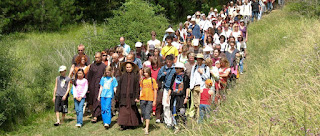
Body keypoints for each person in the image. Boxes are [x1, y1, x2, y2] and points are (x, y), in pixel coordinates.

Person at [115, 62, 142, 130]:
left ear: (132, 68)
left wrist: (137, 96)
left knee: (131, 110)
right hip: (123, 96)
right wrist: (117, 95)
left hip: (131, 96)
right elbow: (119, 87)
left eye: (129, 67)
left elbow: (137, 87)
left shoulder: (135, 76)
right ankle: (123, 125)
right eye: (127, 67)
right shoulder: (122, 76)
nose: (128, 68)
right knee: (123, 110)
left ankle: (132, 124)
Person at [87, 52, 106, 123]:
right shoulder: (92, 66)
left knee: (97, 100)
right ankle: (94, 114)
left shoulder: (103, 66)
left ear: (101, 58)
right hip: (92, 85)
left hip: (100, 86)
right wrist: (88, 86)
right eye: (96, 57)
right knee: (92, 100)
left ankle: (95, 116)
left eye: (98, 57)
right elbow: (89, 76)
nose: (97, 59)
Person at [169, 62, 190, 131]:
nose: (176, 69)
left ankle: (184, 126)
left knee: (182, 111)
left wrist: (186, 97)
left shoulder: (185, 77)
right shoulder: (174, 76)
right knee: (174, 111)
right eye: (175, 68)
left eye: (177, 68)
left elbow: (187, 88)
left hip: (182, 97)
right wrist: (168, 96)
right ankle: (176, 126)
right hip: (174, 96)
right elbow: (171, 86)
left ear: (181, 69)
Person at [189, 53, 210, 120]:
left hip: (202, 87)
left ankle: (200, 118)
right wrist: (191, 86)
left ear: (202, 60)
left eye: (199, 59)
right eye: (197, 59)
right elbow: (192, 77)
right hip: (195, 86)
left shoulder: (206, 67)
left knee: (200, 103)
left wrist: (202, 73)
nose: (198, 61)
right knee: (196, 103)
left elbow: (207, 78)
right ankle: (197, 117)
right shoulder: (194, 67)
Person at [157, 55, 176, 128]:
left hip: (173, 90)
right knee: (165, 105)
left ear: (172, 61)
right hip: (166, 88)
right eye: (167, 62)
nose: (168, 63)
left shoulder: (174, 69)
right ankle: (167, 121)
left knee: (171, 105)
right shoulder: (163, 68)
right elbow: (158, 78)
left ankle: (172, 121)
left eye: (169, 62)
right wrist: (163, 74)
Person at [140, 67, 158, 135]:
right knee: (143, 112)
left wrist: (154, 100)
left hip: (150, 99)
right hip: (143, 99)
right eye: (144, 72)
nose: (145, 74)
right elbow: (141, 89)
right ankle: (144, 125)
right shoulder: (142, 80)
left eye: (146, 72)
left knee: (147, 113)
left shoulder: (152, 80)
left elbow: (155, 90)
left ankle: (147, 128)